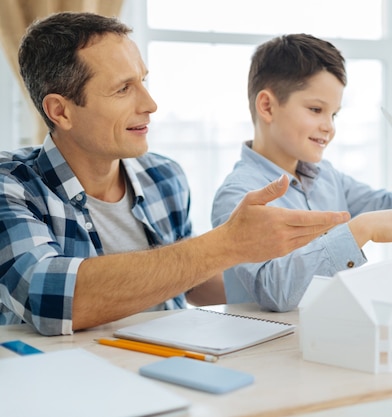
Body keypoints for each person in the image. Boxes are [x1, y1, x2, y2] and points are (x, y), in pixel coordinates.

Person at [0, 12, 350, 336]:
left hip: (171, 367)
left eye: (143, 82)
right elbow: (50, 298)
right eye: (123, 89)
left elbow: (190, 281)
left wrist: (278, 278)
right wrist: (227, 243)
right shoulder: (13, 186)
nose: (150, 104)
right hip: (65, 383)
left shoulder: (164, 176)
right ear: (60, 111)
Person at [211, 33, 392, 312]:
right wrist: (361, 229)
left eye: (334, 114)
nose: (329, 126)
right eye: (316, 109)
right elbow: (276, 291)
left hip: (330, 341)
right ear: (267, 106)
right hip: (264, 352)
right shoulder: (238, 197)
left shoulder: (327, 177)